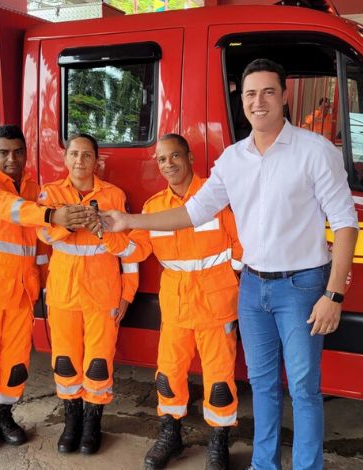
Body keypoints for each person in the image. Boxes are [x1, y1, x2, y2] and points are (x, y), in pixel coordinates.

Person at [101, 59, 359, 470]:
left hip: (303, 286)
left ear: (284, 96)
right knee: (263, 385)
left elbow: (346, 224)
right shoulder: (233, 159)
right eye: (251, 93)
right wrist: (131, 220)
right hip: (253, 289)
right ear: (243, 100)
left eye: (268, 92)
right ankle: (263, 465)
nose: (259, 102)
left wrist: (334, 293)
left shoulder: (315, 151)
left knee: (305, 389)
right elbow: (192, 213)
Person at [0, 125, 93, 458]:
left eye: (18, 152)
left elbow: (40, 248)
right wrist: (52, 214)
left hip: (20, 293)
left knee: (16, 363)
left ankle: (4, 415)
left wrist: (46, 284)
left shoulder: (34, 188)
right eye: (4, 153)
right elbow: (10, 209)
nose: (11, 159)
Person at [127, 134, 243, 470]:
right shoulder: (154, 208)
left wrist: (231, 281)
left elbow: (242, 244)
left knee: (219, 381)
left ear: (190, 157)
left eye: (174, 156)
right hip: (175, 306)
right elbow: (135, 250)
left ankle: (218, 442)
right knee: (168, 375)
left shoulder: (216, 196)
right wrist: (106, 233)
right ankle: (170, 434)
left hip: (216, 303)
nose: (168, 165)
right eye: (162, 160)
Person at [38, 133, 139, 456]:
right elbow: (41, 233)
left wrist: (128, 294)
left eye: (86, 155)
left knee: (98, 364)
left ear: (98, 161)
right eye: (74, 154)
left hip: (103, 293)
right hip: (64, 294)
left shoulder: (114, 195)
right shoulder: (51, 194)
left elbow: (128, 251)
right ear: (65, 158)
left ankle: (93, 424)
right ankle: (71, 423)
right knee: (65, 363)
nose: (80, 161)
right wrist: (65, 222)